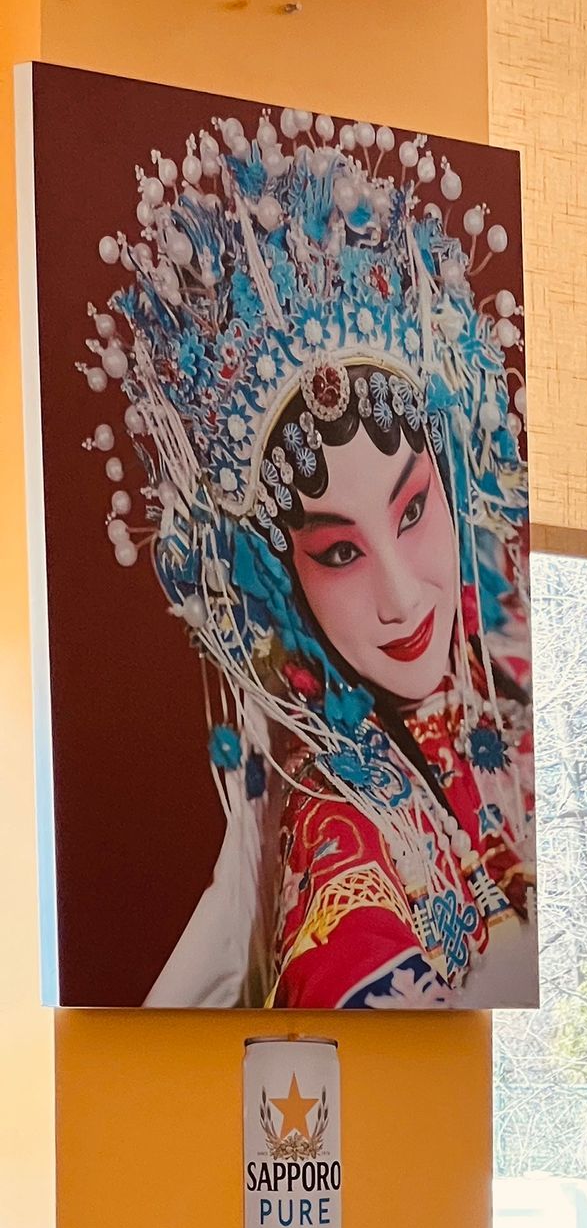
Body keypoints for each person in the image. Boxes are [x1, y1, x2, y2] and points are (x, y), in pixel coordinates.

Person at [86, 105, 536, 1006]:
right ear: (283, 581)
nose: (404, 598)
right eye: (339, 552)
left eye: (413, 511)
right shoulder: (341, 837)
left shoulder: (513, 660)